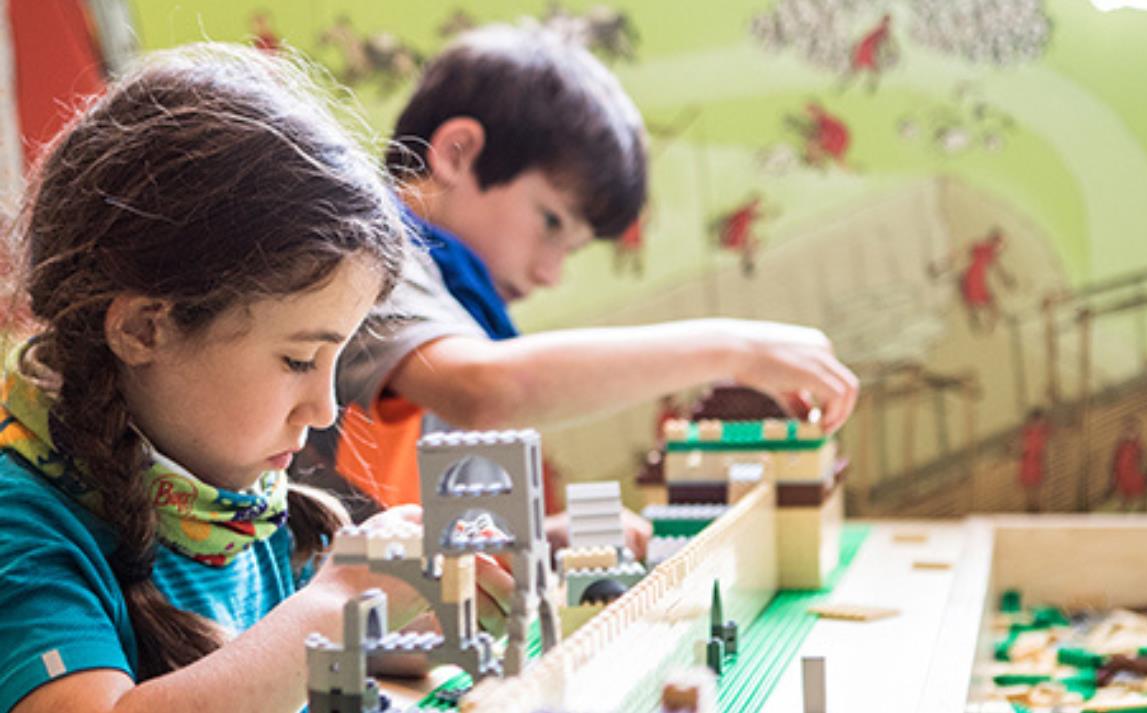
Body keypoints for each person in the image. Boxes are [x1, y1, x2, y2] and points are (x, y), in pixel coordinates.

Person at [0, 44, 512, 713]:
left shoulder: (236, 503)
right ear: (143, 329)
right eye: (300, 359)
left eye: (336, 360)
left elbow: (301, 683)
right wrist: (345, 597)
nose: (324, 409)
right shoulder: (24, 528)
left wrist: (432, 607)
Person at [299, 25, 859, 551]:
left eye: (570, 249)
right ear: (457, 153)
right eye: (550, 224)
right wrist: (735, 350)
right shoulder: (373, 253)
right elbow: (483, 391)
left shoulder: (457, 312)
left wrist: (540, 543)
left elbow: (428, 528)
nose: (549, 274)